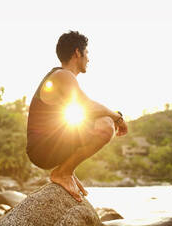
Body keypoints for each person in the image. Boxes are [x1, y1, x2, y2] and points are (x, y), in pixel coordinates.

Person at [26, 31, 128, 202]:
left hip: (45, 146)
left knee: (95, 122)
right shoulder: (62, 75)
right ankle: (62, 173)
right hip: (42, 149)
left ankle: (66, 171)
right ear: (77, 53)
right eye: (86, 53)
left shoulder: (61, 77)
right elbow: (87, 106)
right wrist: (117, 117)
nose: (88, 58)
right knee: (105, 125)